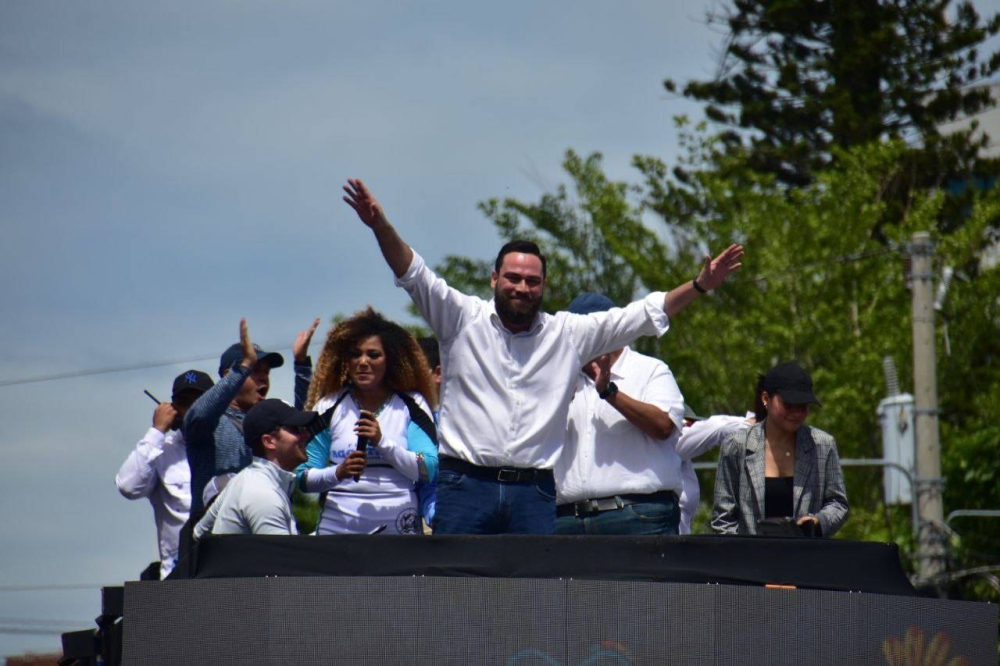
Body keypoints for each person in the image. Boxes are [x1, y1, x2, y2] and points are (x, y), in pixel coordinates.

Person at [342, 178, 744, 534]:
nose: (522, 287)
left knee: (533, 604)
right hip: (465, 485)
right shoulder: (461, 319)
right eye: (513, 278)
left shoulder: (566, 333)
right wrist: (379, 225)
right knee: (458, 594)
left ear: (544, 287)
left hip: (533, 491)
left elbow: (641, 314)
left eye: (532, 281)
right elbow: (414, 273)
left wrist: (699, 285)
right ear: (494, 279)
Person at [554, 293, 685, 536]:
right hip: (567, 521)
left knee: (644, 577)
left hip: (638, 516)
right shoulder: (558, 377)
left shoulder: (650, 370)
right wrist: (560, 396)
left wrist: (609, 392)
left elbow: (663, 426)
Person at [299, 308, 438, 535]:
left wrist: (382, 442)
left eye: (373, 355)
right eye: (355, 354)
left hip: (399, 529)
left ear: (390, 360)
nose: (363, 362)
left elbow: (428, 469)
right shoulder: (328, 405)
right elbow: (303, 478)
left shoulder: (412, 404)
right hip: (338, 529)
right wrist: (338, 472)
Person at [183, 317, 319, 514]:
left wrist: (302, 365)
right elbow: (197, 416)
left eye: (267, 372)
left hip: (262, 532)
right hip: (214, 537)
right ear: (231, 374)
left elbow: (303, 425)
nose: (264, 377)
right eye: (255, 371)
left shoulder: (268, 424)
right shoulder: (212, 424)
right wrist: (243, 367)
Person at [711, 362, 849, 537]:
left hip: (805, 558)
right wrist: (740, 558)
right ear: (766, 399)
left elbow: (838, 503)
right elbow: (724, 518)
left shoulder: (822, 445)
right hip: (751, 559)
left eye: (803, 406)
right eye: (788, 405)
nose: (796, 413)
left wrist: (818, 522)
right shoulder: (736, 445)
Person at [116, 370, 214, 578]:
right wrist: (157, 431)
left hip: (223, 571)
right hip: (178, 576)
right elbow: (128, 486)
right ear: (173, 407)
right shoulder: (161, 451)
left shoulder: (229, 446)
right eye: (184, 402)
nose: (192, 410)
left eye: (199, 401)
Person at [195, 399, 318, 537]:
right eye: (296, 429)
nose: (306, 435)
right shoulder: (264, 496)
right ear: (269, 441)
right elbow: (285, 557)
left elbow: (198, 533)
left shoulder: (242, 480)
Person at [674, 404, 754, 535]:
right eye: (688, 424)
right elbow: (720, 427)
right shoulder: (672, 446)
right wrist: (757, 424)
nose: (691, 428)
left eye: (693, 424)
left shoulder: (682, 462)